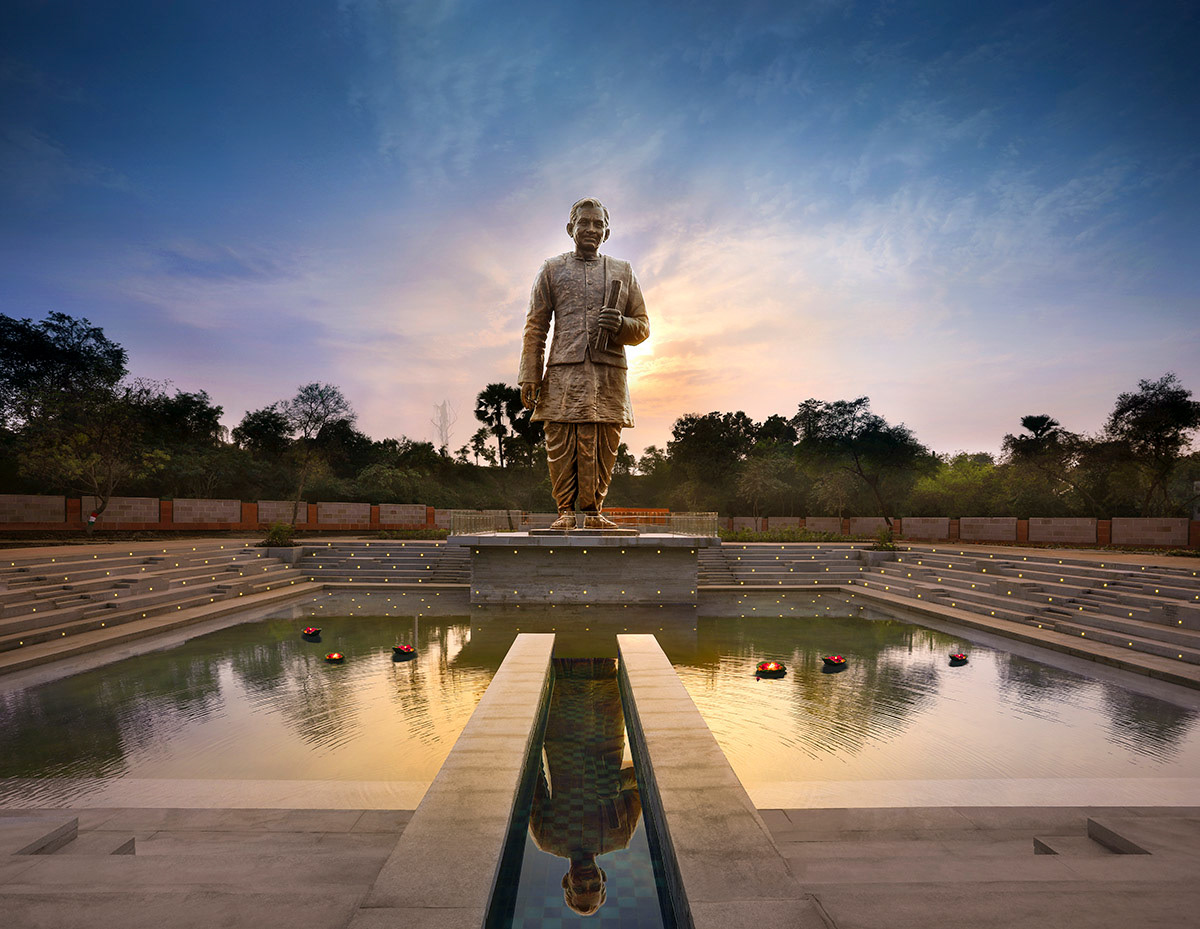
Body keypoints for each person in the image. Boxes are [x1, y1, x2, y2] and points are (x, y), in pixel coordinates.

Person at [519, 197, 650, 530]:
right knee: (561, 443)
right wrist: (529, 376)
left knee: (604, 443)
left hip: (608, 373)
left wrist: (621, 324)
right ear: (570, 228)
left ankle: (593, 513)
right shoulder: (551, 269)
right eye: (584, 222)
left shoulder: (623, 271)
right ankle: (565, 512)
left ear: (606, 232)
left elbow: (643, 327)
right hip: (564, 371)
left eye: (597, 224)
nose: (591, 228)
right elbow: (536, 325)